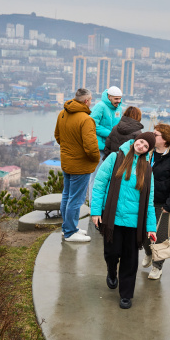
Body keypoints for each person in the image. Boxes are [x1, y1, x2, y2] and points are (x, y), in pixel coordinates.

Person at [91, 132, 157, 309]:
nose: (141, 146)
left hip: (134, 223)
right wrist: (95, 211)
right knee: (111, 253)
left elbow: (149, 201)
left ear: (148, 150)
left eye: (146, 146)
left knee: (130, 258)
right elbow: (99, 184)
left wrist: (151, 227)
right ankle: (112, 271)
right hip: (113, 217)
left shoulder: (147, 169)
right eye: (141, 142)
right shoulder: (115, 158)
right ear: (136, 140)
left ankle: (126, 294)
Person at [54, 88, 100, 242]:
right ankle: (69, 233)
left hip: (67, 162)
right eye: (91, 100)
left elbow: (57, 136)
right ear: (86, 101)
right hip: (81, 165)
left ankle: (68, 227)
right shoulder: (86, 119)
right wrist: (95, 159)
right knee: (76, 199)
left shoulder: (62, 113)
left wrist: (69, 149)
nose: (91, 102)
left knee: (67, 196)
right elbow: (91, 147)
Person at [141, 123, 170, 280]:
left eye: (155, 134)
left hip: (165, 204)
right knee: (144, 232)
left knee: (159, 236)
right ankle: (148, 252)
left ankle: (157, 266)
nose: (152, 136)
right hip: (147, 201)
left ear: (165, 139)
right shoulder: (149, 153)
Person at [88, 86, 123, 207]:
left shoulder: (119, 108)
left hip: (112, 148)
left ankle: (104, 204)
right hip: (100, 148)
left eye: (120, 98)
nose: (118, 101)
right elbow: (92, 124)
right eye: (116, 98)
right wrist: (110, 133)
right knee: (96, 177)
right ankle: (93, 205)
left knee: (107, 177)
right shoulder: (100, 106)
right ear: (109, 97)